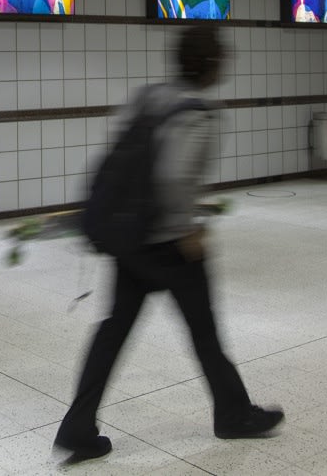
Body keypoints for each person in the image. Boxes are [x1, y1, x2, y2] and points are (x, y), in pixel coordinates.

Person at [54, 24, 283, 463]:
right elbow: (174, 175)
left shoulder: (151, 96)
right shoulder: (200, 113)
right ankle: (234, 415)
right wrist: (189, 225)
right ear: (212, 64)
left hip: (131, 239)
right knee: (205, 332)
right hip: (170, 245)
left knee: (113, 332)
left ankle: (78, 427)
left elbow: (122, 155)